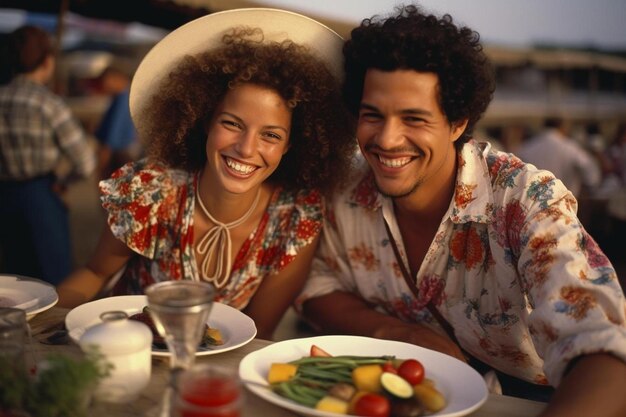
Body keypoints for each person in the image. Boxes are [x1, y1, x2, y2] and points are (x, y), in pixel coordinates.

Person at [298, 5, 626, 416]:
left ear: (457, 123)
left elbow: (603, 350)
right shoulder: (344, 189)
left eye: (414, 118)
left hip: (532, 397)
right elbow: (315, 287)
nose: (387, 138)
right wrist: (397, 332)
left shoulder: (525, 198)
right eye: (372, 115)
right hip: (403, 389)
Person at [56, 8, 356, 340]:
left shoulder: (296, 219)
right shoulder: (153, 190)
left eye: (271, 135)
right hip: (127, 351)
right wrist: (44, 321)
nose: (245, 149)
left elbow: (259, 333)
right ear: (205, 120)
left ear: (289, 146)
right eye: (232, 124)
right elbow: (94, 272)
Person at [0, 25, 96, 285]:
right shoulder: (48, 103)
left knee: (15, 281)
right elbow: (85, 162)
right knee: (52, 280)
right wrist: (63, 183)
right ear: (46, 61)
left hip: (5, 198)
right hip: (41, 195)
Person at [516, 117, 601, 198]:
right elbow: (590, 172)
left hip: (533, 204)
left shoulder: (526, 148)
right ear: (562, 127)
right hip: (564, 204)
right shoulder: (571, 147)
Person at [92, 66, 142, 181]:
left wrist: (101, 166)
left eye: (106, 80)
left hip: (118, 159)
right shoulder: (123, 98)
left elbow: (111, 138)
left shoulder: (122, 100)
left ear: (118, 79)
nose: (105, 85)